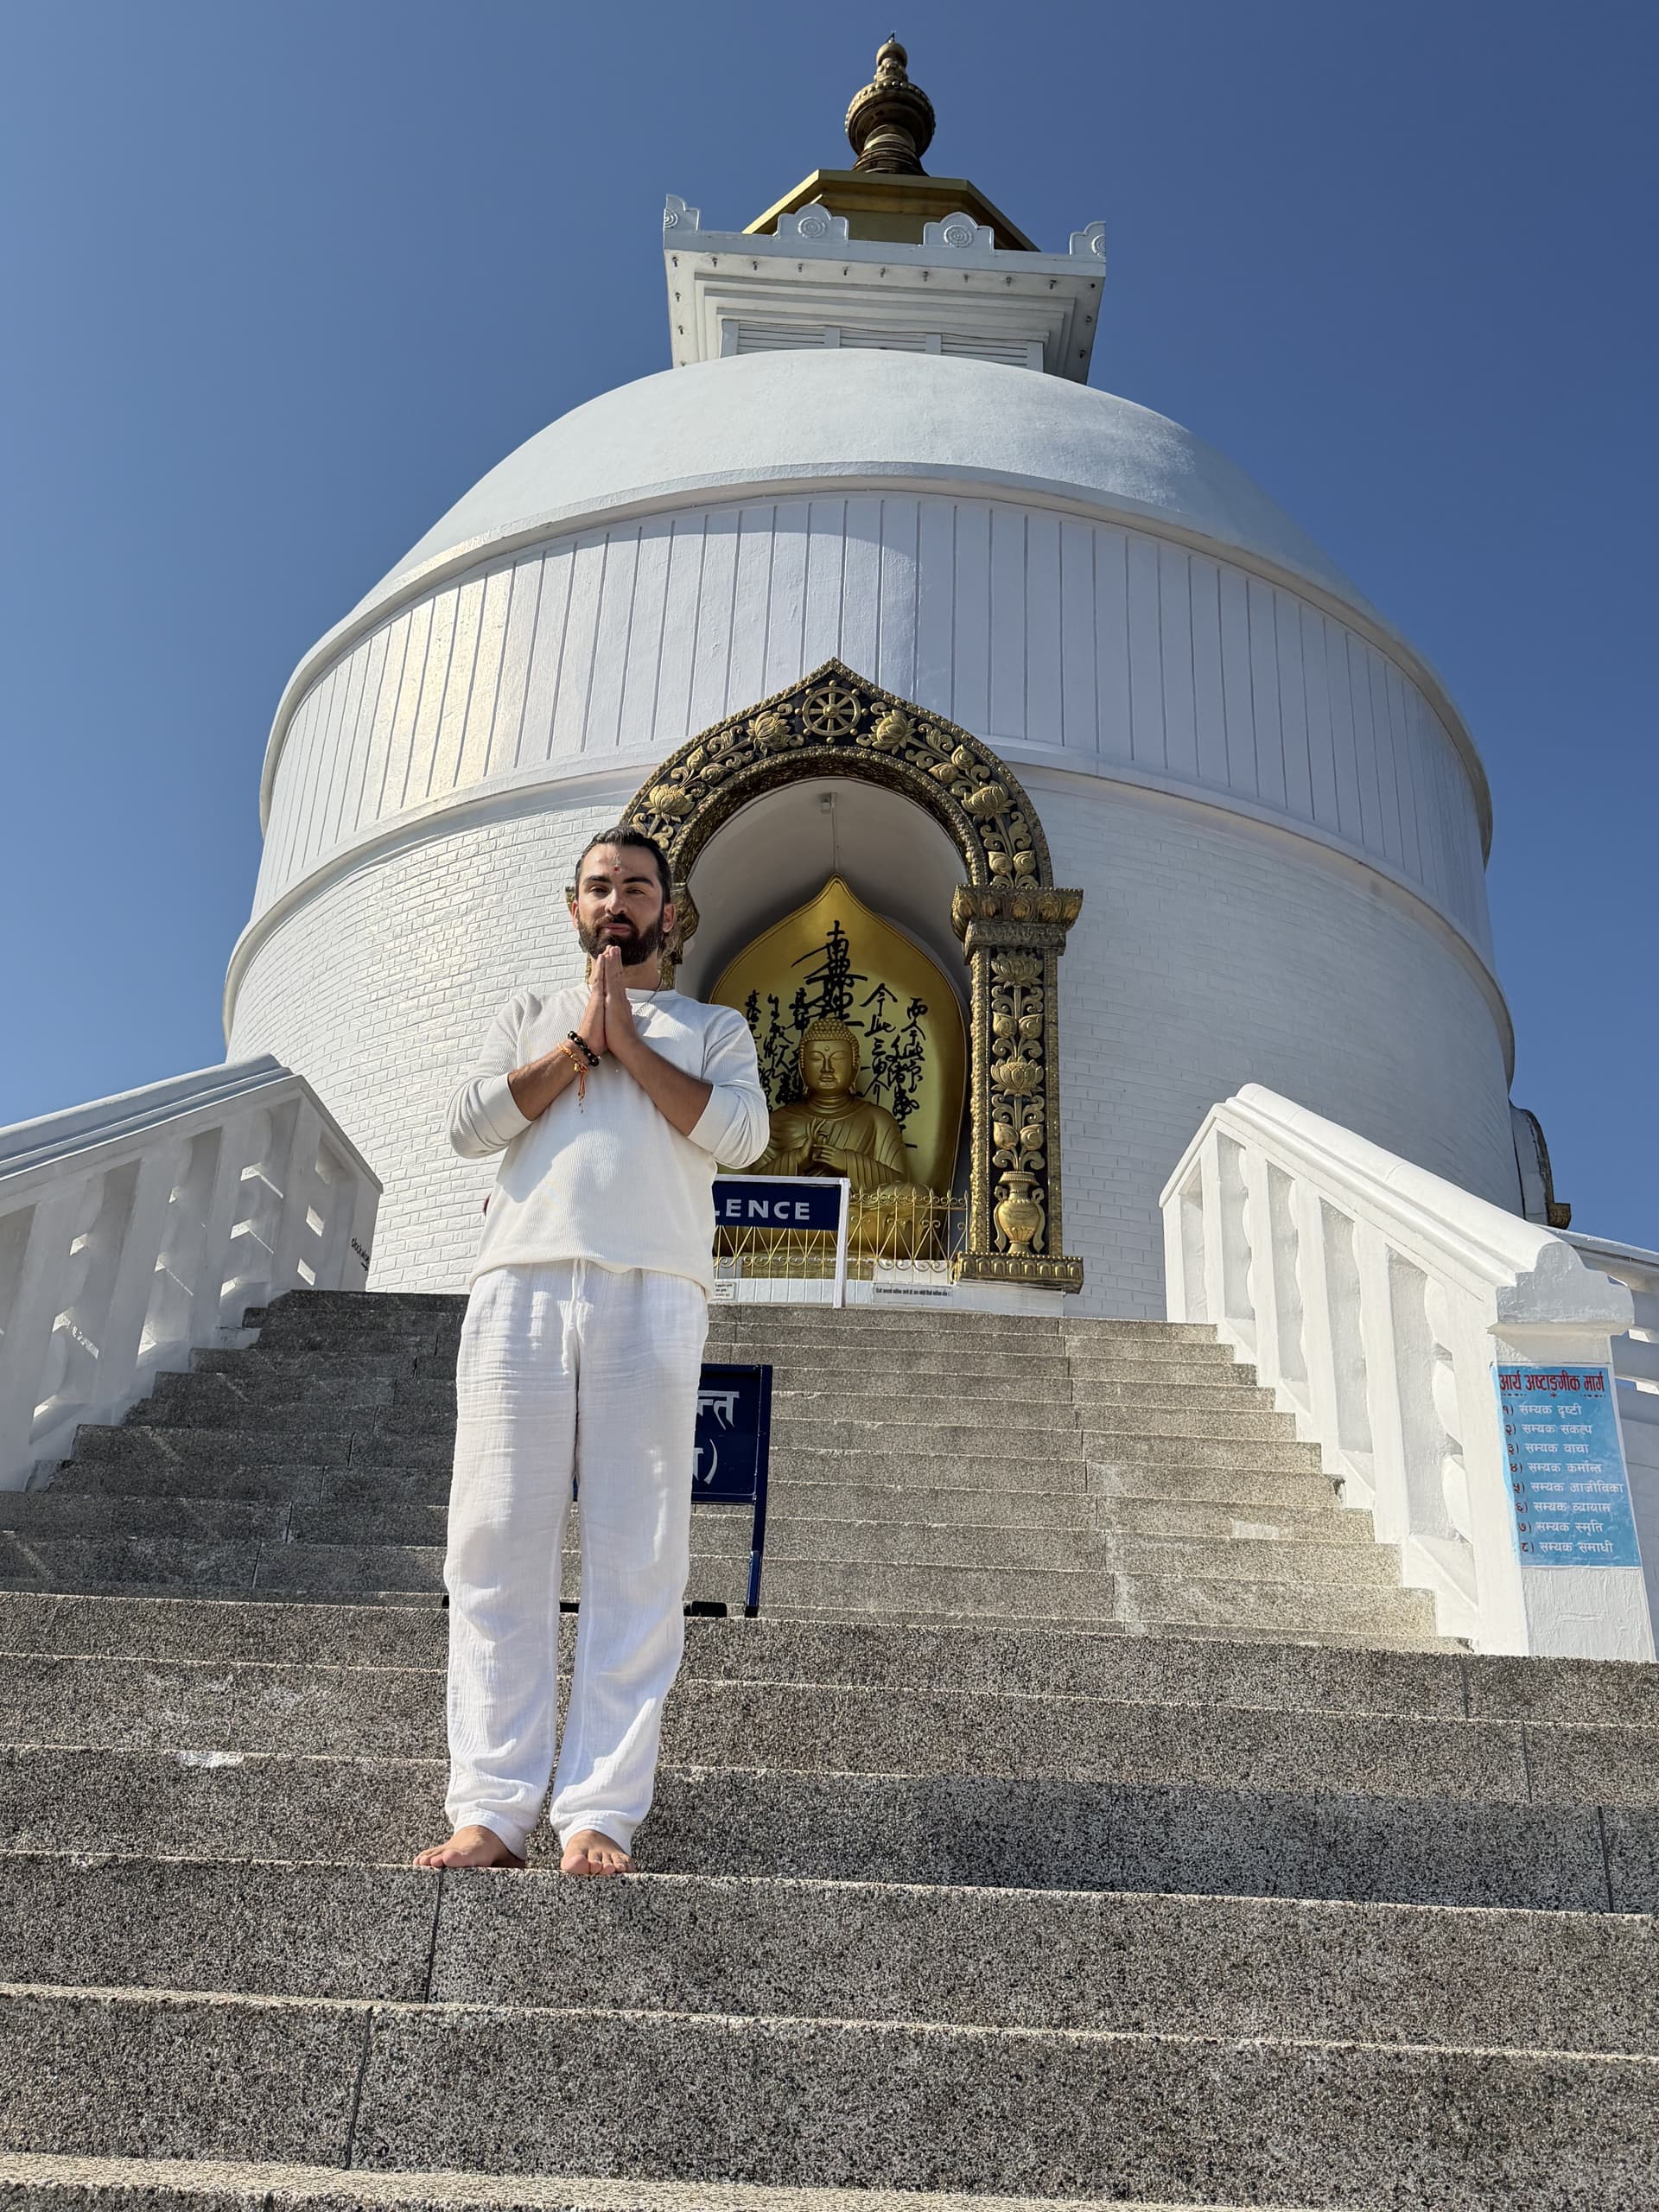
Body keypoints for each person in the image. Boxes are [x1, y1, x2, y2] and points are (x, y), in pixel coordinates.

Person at [414, 828, 769, 1877]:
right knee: (492, 1540)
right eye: (599, 887)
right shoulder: (529, 1016)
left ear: (671, 909)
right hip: (521, 1280)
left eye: (638, 889)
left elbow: (742, 1137)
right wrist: (578, 1044)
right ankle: (492, 1805)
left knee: (638, 1550)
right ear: (572, 905)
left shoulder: (712, 1026)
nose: (618, 903)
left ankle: (600, 1810)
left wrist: (630, 1038)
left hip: (651, 1291)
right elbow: (469, 1125)